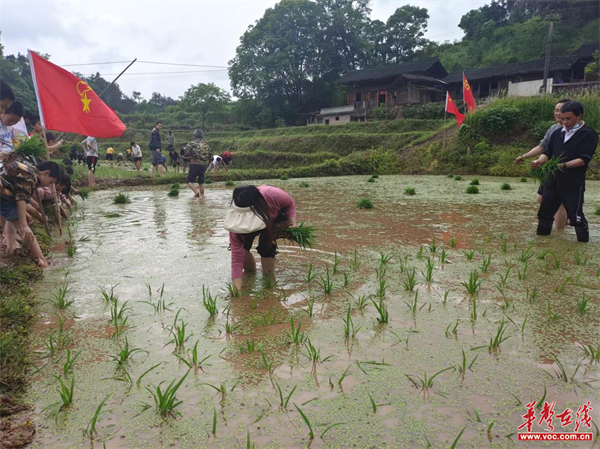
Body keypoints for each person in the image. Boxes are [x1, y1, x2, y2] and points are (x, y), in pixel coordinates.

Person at [532, 101, 598, 242]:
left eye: (568, 119)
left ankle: (582, 244)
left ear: (579, 116)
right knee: (544, 215)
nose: (565, 122)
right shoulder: (557, 133)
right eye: (562, 119)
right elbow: (548, 152)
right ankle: (542, 243)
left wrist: (563, 166)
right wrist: (540, 161)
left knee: (576, 217)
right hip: (552, 181)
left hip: (573, 183)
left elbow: (583, 159)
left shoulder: (589, 134)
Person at [225, 185, 297, 291]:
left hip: (271, 220)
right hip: (251, 222)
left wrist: (292, 221)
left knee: (266, 248)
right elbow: (236, 259)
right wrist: (236, 292)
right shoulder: (236, 222)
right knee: (243, 249)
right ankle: (250, 274)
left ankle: (269, 284)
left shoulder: (273, 195)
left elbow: (289, 204)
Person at [515, 99, 572, 229]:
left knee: (559, 203)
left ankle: (560, 232)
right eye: (556, 110)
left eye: (561, 110)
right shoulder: (553, 128)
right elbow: (542, 147)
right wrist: (525, 156)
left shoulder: (571, 130)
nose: (558, 113)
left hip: (564, 169)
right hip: (549, 169)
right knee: (541, 199)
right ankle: (564, 221)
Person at [0, 156, 62, 268]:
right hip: (3, 195)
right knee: (24, 228)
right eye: (50, 181)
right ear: (46, 172)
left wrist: (24, 215)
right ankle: (41, 259)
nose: (48, 185)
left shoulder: (28, 169)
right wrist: (24, 225)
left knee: (12, 218)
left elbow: (22, 198)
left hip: (4, 194)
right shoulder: (30, 175)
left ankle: (10, 248)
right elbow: (20, 198)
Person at [184, 129, 211, 197]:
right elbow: (211, 156)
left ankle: (196, 192)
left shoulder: (192, 143)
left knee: (189, 181)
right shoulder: (206, 145)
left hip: (195, 164)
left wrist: (190, 157)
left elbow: (186, 152)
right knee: (201, 183)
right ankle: (202, 197)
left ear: (195, 135)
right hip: (203, 166)